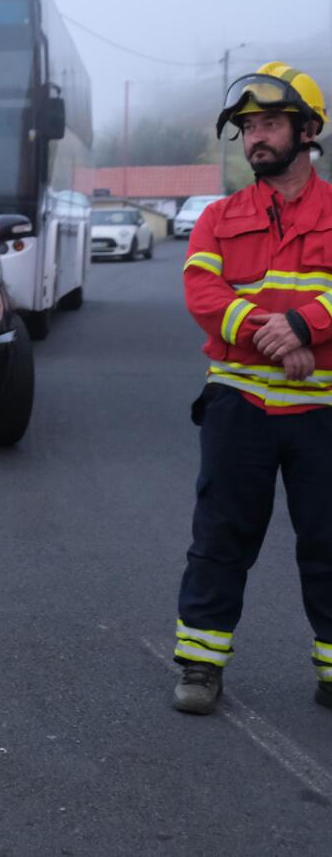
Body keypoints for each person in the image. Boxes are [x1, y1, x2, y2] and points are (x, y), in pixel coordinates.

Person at [171, 62, 332, 715]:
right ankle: (200, 666)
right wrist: (271, 336)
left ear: (308, 129)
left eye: (269, 124)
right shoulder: (217, 217)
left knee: (328, 541)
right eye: (247, 128)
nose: (256, 138)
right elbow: (203, 292)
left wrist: (303, 327)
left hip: (321, 407)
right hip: (239, 402)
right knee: (221, 536)